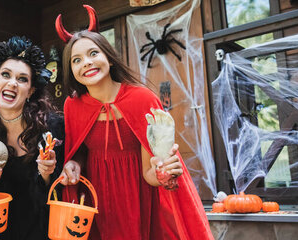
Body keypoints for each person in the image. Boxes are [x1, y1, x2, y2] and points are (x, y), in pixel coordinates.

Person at [56, 7, 212, 240]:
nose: (86, 63)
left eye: (93, 54)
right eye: (76, 60)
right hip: (94, 204)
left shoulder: (142, 99)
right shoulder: (72, 105)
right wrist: (73, 164)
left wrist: (163, 172)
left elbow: (150, 172)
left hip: (139, 200)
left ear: (108, 56)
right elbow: (78, 151)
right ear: (71, 70)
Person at [0, 36, 63, 239]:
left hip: (45, 230)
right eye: (6, 75)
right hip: (0, 230)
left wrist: (47, 172)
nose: (13, 83)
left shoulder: (53, 128)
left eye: (22, 79)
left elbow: (60, 188)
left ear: (30, 91)